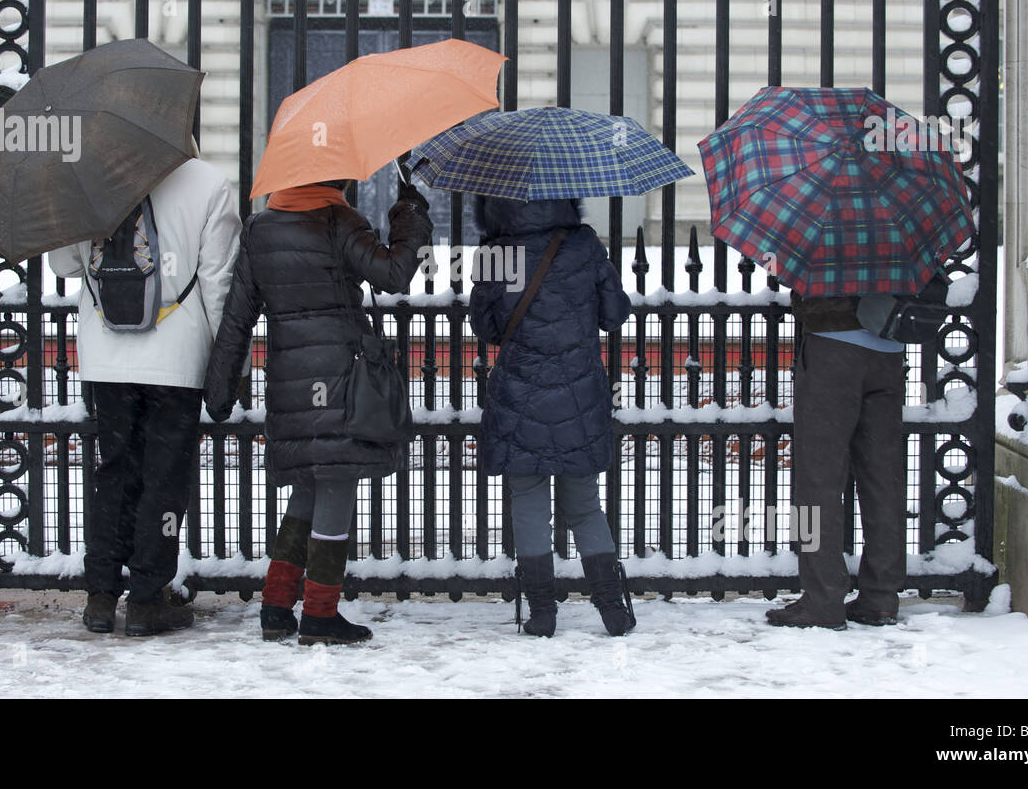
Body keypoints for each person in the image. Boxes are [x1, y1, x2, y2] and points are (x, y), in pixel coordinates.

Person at [204, 177, 432, 646]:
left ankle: (275, 606)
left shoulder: (260, 228)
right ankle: (320, 613)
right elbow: (393, 275)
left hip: (290, 376)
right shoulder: (339, 220)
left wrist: (220, 387)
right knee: (336, 483)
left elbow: (238, 314)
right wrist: (408, 217)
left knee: (310, 483)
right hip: (340, 376)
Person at [50, 147, 242, 637]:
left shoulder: (93, 177)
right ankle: (147, 596)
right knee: (164, 476)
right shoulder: (209, 184)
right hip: (176, 362)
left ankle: (99, 596)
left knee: (114, 471)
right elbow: (218, 282)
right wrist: (226, 363)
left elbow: (66, 265)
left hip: (106, 358)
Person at [469, 196, 635, 638]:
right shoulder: (582, 244)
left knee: (528, 505)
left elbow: (485, 329)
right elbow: (615, 314)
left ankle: (542, 614)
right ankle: (612, 609)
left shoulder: (497, 251)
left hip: (520, 392)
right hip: (579, 390)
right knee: (584, 505)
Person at [766, 293, 906, 630]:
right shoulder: (892, 237)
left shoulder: (825, 239)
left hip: (832, 345)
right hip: (888, 346)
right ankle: (881, 596)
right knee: (883, 478)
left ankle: (823, 598)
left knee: (818, 480)